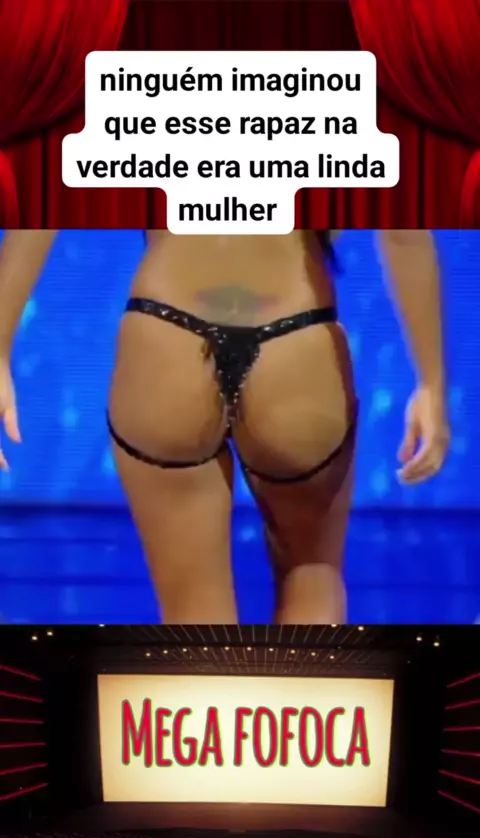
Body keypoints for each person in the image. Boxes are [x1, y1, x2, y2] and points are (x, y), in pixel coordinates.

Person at [0, 229, 450, 624]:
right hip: (297, 339)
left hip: (165, 331)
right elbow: (403, 233)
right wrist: (430, 383)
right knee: (313, 576)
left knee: (193, 617)